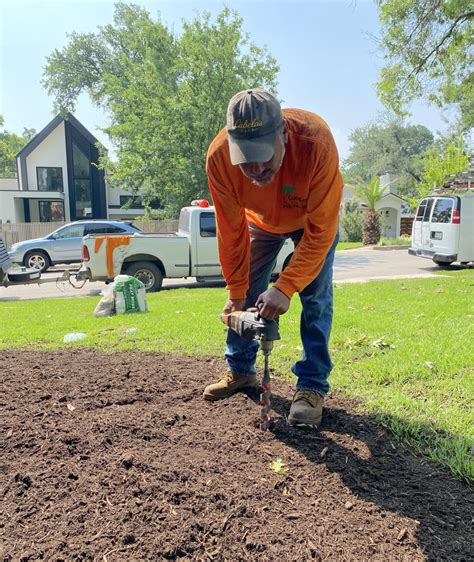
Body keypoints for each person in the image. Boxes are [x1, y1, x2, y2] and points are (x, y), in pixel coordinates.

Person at [203, 88, 343, 427]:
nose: (256, 167)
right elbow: (231, 230)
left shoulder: (316, 143)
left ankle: (311, 386)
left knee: (316, 297)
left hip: (311, 222)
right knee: (246, 288)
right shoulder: (220, 157)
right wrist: (236, 293)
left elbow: (321, 231)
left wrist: (286, 286)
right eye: (246, 157)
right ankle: (241, 371)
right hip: (261, 223)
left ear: (283, 133)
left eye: (264, 154)